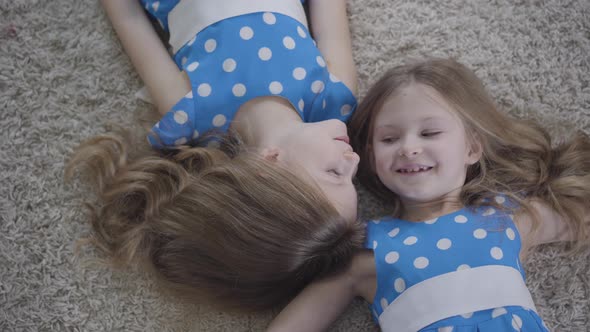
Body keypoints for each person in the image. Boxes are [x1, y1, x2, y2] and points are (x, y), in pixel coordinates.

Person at [66, 0, 366, 312]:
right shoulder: (335, 96)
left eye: (335, 173)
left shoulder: (191, 111)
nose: (355, 160)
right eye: (352, 178)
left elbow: (129, 19)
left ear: (270, 165)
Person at [267, 58, 590, 331]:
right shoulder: (365, 252)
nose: (409, 148)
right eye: (390, 139)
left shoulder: (508, 217)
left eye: (430, 132)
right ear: (372, 156)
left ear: (472, 147)